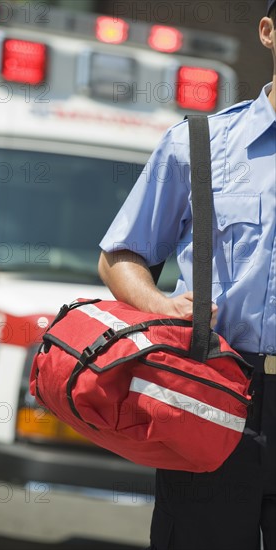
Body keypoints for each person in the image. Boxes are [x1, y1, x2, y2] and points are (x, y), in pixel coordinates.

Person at [98, 1, 276, 549]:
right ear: (268, 32)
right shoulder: (198, 144)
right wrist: (160, 305)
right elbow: (119, 257)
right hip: (216, 391)